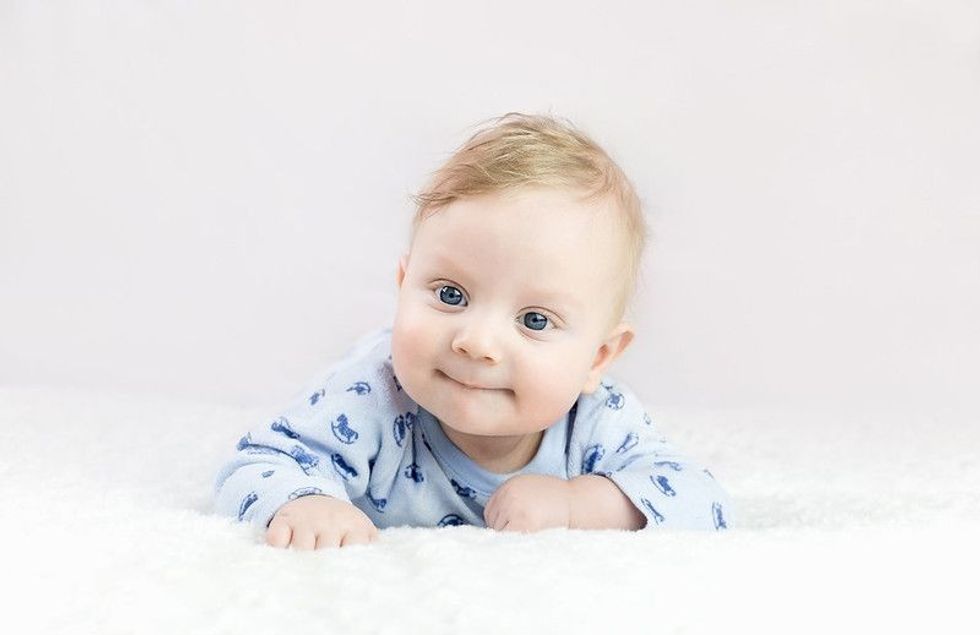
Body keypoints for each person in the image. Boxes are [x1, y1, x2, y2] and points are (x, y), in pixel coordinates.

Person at [213, 112, 733, 550]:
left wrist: (579, 504)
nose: (476, 343)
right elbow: (258, 462)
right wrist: (307, 500)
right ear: (404, 284)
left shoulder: (596, 421)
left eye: (534, 320)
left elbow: (702, 501)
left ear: (598, 358)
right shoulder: (371, 393)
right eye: (450, 295)